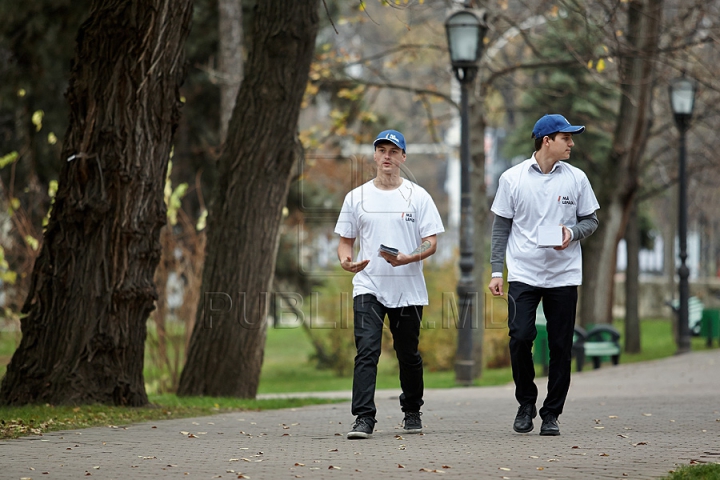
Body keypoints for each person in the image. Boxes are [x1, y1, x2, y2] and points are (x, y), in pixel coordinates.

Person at [488, 114, 600, 436]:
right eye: (567, 138)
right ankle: (526, 403)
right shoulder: (512, 178)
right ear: (547, 141)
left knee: (561, 345)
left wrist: (572, 233)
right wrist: (497, 271)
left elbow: (591, 221)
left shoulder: (576, 179)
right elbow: (501, 229)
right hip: (523, 272)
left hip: (563, 275)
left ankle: (551, 414)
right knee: (520, 336)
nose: (572, 143)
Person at [334, 129, 445, 439]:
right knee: (366, 351)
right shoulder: (356, 197)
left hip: (408, 288)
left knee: (408, 353)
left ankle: (412, 410)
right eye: (381, 150)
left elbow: (431, 242)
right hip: (368, 285)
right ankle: (363, 419)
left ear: (403, 157)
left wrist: (410, 258)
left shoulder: (418, 196)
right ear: (374, 156)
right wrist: (346, 261)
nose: (387, 155)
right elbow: (345, 243)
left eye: (393, 151)